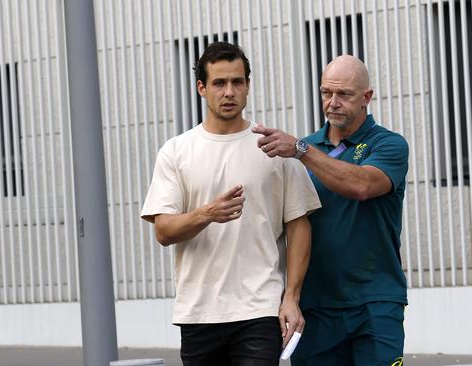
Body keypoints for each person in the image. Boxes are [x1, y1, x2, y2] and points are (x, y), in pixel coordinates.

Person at [140, 42, 321, 366]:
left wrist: (291, 297)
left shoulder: (274, 146)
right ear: (201, 87)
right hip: (198, 312)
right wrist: (207, 213)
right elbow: (164, 231)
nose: (229, 91)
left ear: (248, 85)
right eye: (219, 83)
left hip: (259, 309)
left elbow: (299, 225)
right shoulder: (177, 151)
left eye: (237, 82)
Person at [253, 55, 409, 366]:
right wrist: (290, 297)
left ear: (367, 97)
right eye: (326, 93)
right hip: (316, 306)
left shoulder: (388, 144)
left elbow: (362, 186)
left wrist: (301, 151)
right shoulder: (305, 148)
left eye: (344, 94)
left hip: (375, 302)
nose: (333, 102)